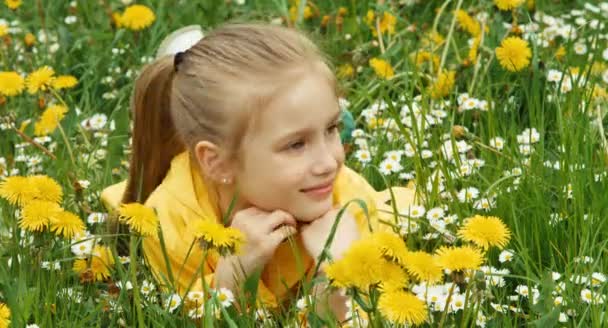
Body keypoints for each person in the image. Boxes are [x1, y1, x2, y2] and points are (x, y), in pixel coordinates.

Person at [100, 22, 416, 320]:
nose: (330, 162)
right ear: (218, 162)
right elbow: (198, 317)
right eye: (296, 145)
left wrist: (338, 269)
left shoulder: (349, 202)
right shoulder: (172, 220)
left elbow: (355, 317)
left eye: (332, 127)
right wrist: (233, 275)